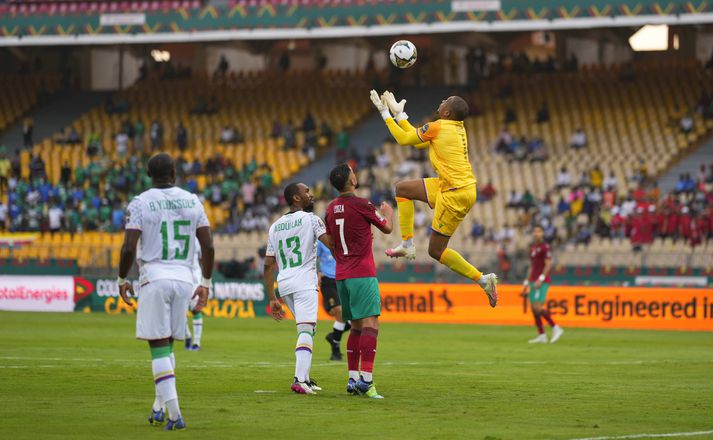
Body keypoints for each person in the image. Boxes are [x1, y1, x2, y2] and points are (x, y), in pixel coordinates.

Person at [370, 90, 498, 306]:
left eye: (444, 101)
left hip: (454, 192)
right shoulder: (454, 127)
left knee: (435, 251)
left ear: (446, 112)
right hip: (452, 185)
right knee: (403, 189)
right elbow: (418, 141)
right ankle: (407, 244)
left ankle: (483, 280)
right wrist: (401, 115)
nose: (440, 101)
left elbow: (404, 139)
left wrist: (385, 112)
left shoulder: (438, 126)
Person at [117, 153, 214, 430]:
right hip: (184, 278)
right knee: (169, 344)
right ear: (174, 171)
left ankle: (175, 415)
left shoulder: (140, 202)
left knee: (158, 347)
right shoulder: (193, 200)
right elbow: (208, 247)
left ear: (149, 174)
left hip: (155, 276)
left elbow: (128, 247)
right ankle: (159, 407)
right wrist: (205, 284)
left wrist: (122, 278)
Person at [324, 163, 393, 399]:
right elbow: (387, 228)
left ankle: (352, 379)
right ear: (350, 180)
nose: (356, 174)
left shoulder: (331, 209)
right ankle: (367, 380)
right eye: (353, 172)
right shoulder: (363, 204)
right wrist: (390, 214)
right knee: (371, 324)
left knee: (355, 326)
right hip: (362, 273)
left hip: (341, 274)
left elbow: (332, 242)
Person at [263, 182, 332, 394]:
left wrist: (272, 298)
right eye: (307, 192)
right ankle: (300, 380)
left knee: (308, 328)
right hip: (304, 282)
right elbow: (331, 244)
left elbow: (267, 265)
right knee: (306, 329)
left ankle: (305, 377)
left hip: (285, 284)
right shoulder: (312, 219)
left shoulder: (275, 226)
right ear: (296, 198)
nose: (310, 195)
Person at [522, 225, 563, 344]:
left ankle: (556, 327)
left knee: (537, 307)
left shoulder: (545, 247)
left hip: (542, 281)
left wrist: (541, 278)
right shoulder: (533, 248)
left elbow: (548, 264)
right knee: (533, 309)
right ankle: (542, 335)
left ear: (543, 234)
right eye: (535, 231)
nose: (536, 233)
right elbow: (531, 265)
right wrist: (526, 280)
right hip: (532, 281)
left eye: (539, 231)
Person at [317, 239, 350, 361]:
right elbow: (315, 257)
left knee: (354, 320)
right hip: (328, 280)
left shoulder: (343, 236)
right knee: (340, 312)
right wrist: (318, 272)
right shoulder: (322, 240)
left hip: (343, 279)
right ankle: (335, 350)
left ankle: (334, 338)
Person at [184, 239, 205, 351]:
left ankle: (196, 342)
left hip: (194, 277)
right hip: (180, 275)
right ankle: (187, 335)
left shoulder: (196, 238)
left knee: (195, 309)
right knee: (178, 311)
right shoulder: (197, 238)